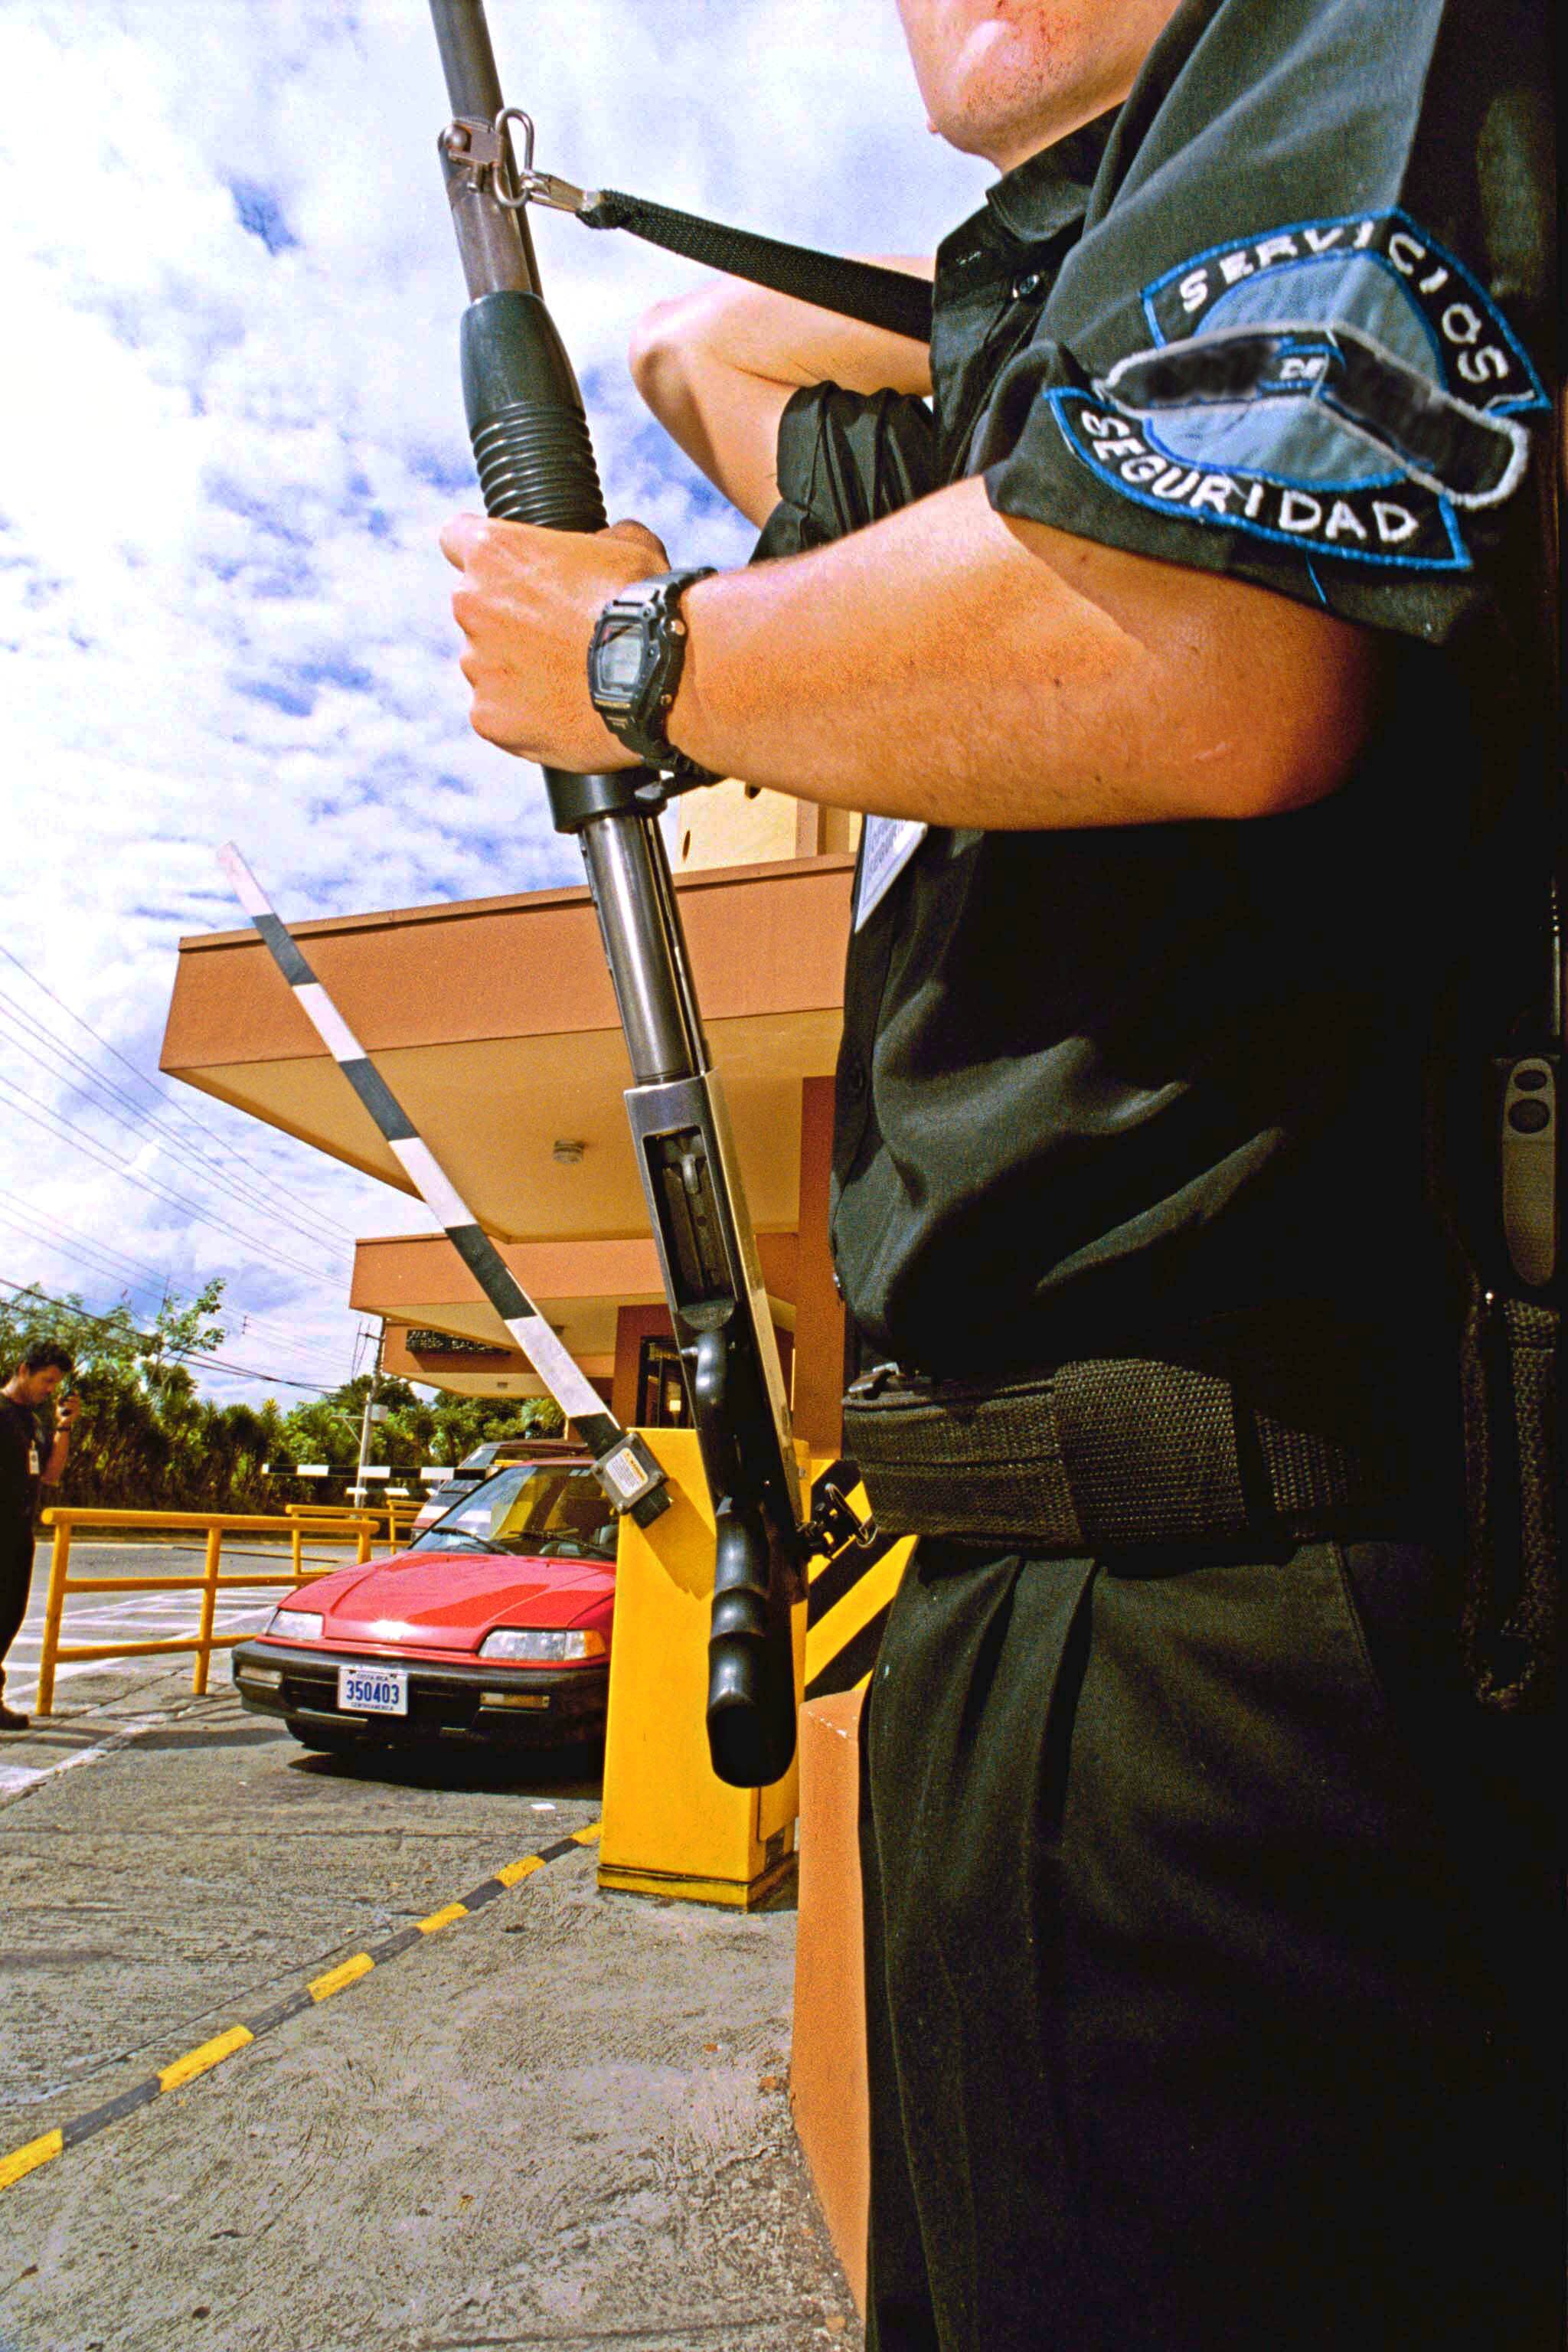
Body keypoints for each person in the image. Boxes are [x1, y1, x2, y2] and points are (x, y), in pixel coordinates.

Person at [440, 0, 1559, 2342]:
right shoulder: (1106, 348)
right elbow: (692, 352)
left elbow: (1192, 647)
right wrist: (1054, 283)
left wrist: (641, 657)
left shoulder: (1377, 43)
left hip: (1273, 1620)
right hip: (1049, 1613)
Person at [0, 1341, 78, 1731]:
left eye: (55, 1384)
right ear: (23, 1370)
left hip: (18, 1534)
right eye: (46, 1381)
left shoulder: (31, 1422)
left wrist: (64, 1425)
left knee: (8, 1617)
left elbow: (50, 1475)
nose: (50, 1390)